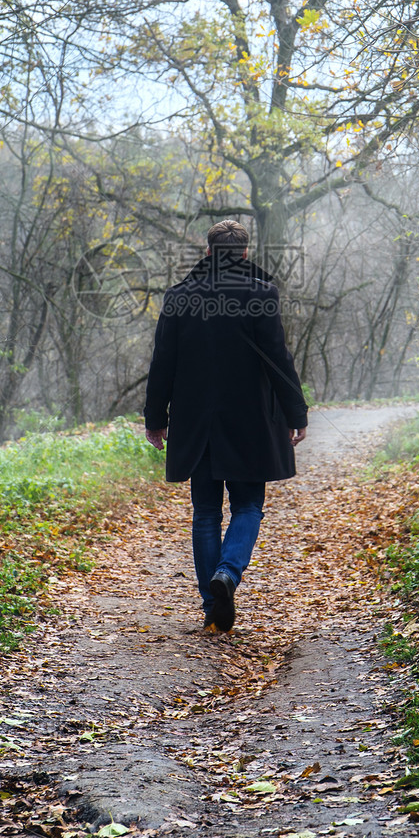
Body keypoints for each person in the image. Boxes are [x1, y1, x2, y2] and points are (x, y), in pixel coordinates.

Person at [144, 220, 308, 632]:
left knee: (204, 513)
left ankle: (211, 606)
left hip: (196, 421)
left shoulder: (179, 297)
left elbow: (162, 362)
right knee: (249, 506)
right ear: (245, 254)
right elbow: (278, 359)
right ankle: (228, 576)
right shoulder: (261, 293)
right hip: (250, 422)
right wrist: (297, 413)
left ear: (208, 252)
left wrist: (155, 419)